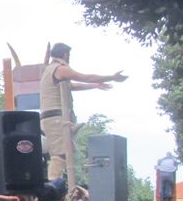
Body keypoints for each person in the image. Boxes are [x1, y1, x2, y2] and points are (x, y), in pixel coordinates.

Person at [39, 43, 127, 181]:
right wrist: (111, 77)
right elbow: (85, 77)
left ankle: (56, 182)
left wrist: (95, 85)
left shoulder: (51, 70)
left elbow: (72, 86)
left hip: (54, 117)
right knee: (60, 153)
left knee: (65, 150)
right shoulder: (59, 69)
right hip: (54, 117)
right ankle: (53, 183)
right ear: (65, 54)